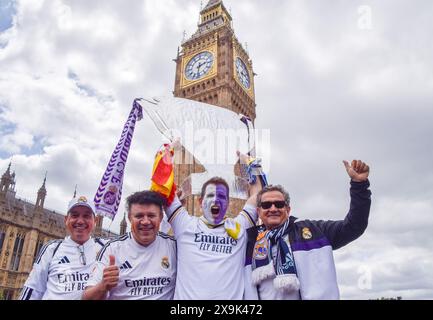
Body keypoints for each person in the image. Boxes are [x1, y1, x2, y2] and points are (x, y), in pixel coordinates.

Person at [244, 159, 371, 300]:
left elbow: (354, 226)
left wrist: (359, 185)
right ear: (259, 211)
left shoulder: (315, 231)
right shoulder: (249, 240)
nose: (273, 208)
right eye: (267, 205)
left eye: (279, 204)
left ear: (288, 209)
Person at [162, 152, 264, 300]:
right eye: (210, 196)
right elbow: (165, 186)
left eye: (222, 197)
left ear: (228, 203)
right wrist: (168, 151)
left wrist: (250, 163)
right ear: (200, 201)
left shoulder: (239, 226)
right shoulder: (184, 224)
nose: (216, 200)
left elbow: (256, 195)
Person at [82, 191, 176, 300]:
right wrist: (103, 285)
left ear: (160, 217)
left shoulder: (174, 247)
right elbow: (86, 298)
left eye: (151, 215)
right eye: (139, 216)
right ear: (129, 218)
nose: (145, 221)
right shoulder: (112, 249)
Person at [19, 196, 106, 300]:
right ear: (66, 219)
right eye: (75, 215)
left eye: (86, 216)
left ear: (95, 221)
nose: (80, 221)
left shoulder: (105, 249)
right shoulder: (52, 249)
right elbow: (33, 289)